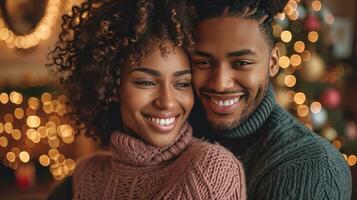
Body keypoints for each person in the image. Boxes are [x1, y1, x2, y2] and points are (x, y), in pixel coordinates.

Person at [47, 0, 246, 199]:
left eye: (182, 83)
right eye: (146, 82)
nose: (167, 101)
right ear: (111, 86)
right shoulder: (87, 174)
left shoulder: (211, 169)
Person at [189, 0, 352, 199]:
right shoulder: (175, 133)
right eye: (203, 62)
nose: (220, 84)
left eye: (242, 63)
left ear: (273, 63)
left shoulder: (312, 166)